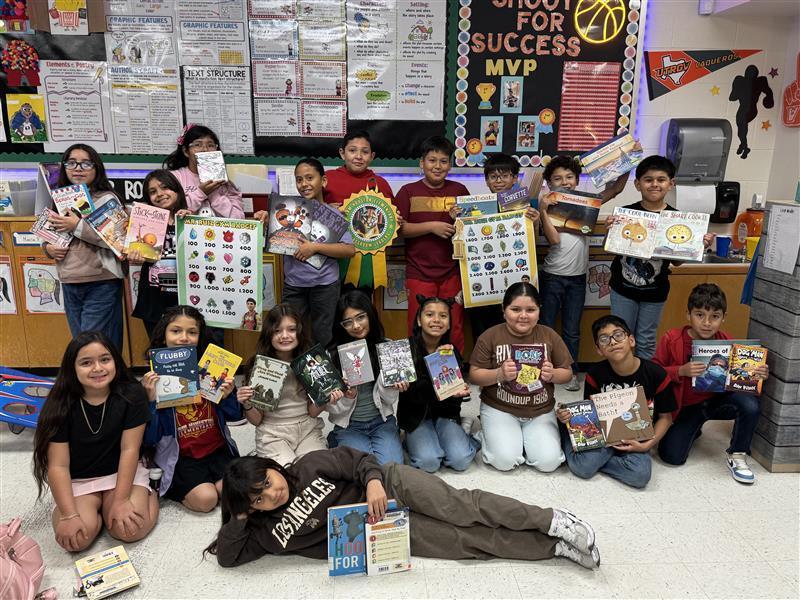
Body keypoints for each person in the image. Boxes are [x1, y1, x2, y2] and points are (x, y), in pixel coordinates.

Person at [206, 447, 600, 569]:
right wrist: (238, 513)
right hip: (379, 533)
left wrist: (375, 482)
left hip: (388, 485)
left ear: (275, 469)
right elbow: (227, 557)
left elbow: (359, 460)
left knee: (464, 507)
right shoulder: (261, 532)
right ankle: (553, 548)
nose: (270, 496)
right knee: (466, 543)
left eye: (267, 484)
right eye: (257, 498)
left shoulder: (307, 467)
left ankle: (552, 521)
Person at [32, 332, 158, 552]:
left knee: (130, 530)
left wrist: (119, 501)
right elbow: (58, 466)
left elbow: (130, 450)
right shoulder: (59, 403)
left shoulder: (132, 394)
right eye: (86, 363)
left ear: (115, 362)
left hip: (122, 473)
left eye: (105, 359)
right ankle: (96, 511)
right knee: (76, 541)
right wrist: (70, 515)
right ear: (72, 368)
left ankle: (150, 492)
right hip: (79, 480)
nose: (98, 368)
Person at [537, 153, 633, 391]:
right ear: (550, 184)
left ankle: (569, 372)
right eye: (558, 178)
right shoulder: (548, 207)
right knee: (546, 327)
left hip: (578, 279)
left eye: (570, 177)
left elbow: (617, 188)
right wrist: (542, 209)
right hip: (552, 277)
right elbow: (554, 240)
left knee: (572, 329)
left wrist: (628, 159)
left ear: (577, 180)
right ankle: (544, 371)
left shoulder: (589, 203)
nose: (565, 181)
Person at [653, 284, 766, 483]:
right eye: (699, 315)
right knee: (672, 457)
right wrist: (680, 370)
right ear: (688, 315)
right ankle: (694, 429)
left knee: (749, 404)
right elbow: (654, 372)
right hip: (685, 408)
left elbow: (740, 378)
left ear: (724, 317)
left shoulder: (726, 340)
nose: (707, 323)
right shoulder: (671, 339)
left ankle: (738, 455)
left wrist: (756, 374)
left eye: (715, 316)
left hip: (716, 402)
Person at [607, 155, 714, 359]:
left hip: (655, 293)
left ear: (671, 184)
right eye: (648, 180)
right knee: (619, 339)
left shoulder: (677, 220)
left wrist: (698, 246)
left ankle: (644, 385)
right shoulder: (626, 214)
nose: (654, 184)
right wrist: (611, 231)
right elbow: (613, 249)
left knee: (646, 341)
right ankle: (622, 383)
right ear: (638, 184)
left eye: (661, 180)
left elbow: (677, 261)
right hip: (623, 290)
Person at [142, 306, 242, 512]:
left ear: (200, 337)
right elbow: (150, 438)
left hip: (217, 451)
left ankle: (212, 482)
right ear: (163, 336)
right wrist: (151, 401)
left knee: (234, 492)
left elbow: (236, 415)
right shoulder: (154, 380)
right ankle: (173, 488)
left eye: (192, 332)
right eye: (176, 331)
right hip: (182, 458)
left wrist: (228, 395)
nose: (184, 338)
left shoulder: (210, 369)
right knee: (206, 500)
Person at [557, 315, 676, 489]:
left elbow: (666, 418)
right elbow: (590, 414)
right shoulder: (594, 375)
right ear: (599, 349)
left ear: (631, 340)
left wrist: (647, 446)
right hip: (604, 435)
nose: (612, 342)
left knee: (640, 477)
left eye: (618, 335)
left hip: (637, 436)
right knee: (583, 468)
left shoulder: (656, 374)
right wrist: (570, 418)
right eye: (604, 339)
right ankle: (566, 434)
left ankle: (596, 460)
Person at [469, 282, 573, 472]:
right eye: (515, 309)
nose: (523, 316)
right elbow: (474, 375)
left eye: (530, 310)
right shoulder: (490, 336)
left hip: (540, 409)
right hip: (500, 408)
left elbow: (567, 373)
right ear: (504, 309)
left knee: (548, 463)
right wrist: (498, 374)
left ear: (539, 310)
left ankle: (523, 439)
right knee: (504, 461)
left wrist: (553, 374)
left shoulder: (549, 335)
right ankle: (486, 433)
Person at [255, 158, 355, 348]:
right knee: (290, 331)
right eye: (299, 179)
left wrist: (315, 247)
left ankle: (322, 375)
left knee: (323, 334)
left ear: (323, 181)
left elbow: (349, 250)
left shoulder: (334, 215)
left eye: (310, 178)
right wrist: (267, 222)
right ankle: (295, 373)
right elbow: (276, 237)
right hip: (294, 285)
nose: (304, 184)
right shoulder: (289, 210)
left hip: (325, 285)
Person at [44, 144, 125, 350]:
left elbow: (116, 240)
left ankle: (112, 381)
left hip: (101, 281)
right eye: (71, 163)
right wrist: (48, 249)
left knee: (96, 344)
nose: (78, 168)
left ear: (96, 167)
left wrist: (77, 225)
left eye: (86, 163)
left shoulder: (107, 199)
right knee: (81, 344)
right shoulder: (58, 199)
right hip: (70, 281)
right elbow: (47, 237)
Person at [395, 136, 469, 353]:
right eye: (432, 160)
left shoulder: (460, 191)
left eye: (444, 161)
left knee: (453, 325)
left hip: (453, 271)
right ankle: (419, 373)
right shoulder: (408, 192)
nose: (438, 166)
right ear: (422, 163)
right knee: (418, 323)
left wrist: (458, 220)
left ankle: (452, 375)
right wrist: (432, 226)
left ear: (450, 164)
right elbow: (400, 230)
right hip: (418, 272)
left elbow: (471, 227)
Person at [237, 303, 329, 466]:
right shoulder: (259, 366)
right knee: (287, 475)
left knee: (315, 472)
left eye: (291, 329)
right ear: (268, 334)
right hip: (272, 433)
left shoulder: (310, 362)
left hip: (307, 428)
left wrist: (326, 396)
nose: (284, 335)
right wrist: (247, 404)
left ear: (299, 332)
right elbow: (258, 421)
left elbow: (313, 412)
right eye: (277, 330)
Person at [397, 295, 479, 473]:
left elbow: (453, 397)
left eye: (443, 316)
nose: (436, 320)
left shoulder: (451, 351)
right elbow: (411, 394)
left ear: (449, 323)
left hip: (445, 414)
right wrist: (433, 368)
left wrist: (459, 391)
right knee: (429, 463)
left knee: (460, 460)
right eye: (429, 315)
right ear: (419, 320)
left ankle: (468, 437)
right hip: (416, 417)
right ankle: (415, 441)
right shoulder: (405, 350)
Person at [467, 153, 541, 343]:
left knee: (515, 327)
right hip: (483, 280)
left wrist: (535, 221)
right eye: (493, 177)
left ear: (515, 178)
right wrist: (458, 218)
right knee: (483, 328)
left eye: (505, 176)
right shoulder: (475, 206)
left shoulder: (527, 205)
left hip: (515, 277)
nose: (499, 181)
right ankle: (484, 368)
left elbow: (535, 238)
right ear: (486, 181)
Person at [325, 291, 405, 465]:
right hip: (350, 426)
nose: (356, 326)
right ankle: (337, 438)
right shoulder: (331, 356)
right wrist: (348, 396)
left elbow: (390, 400)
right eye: (348, 322)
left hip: (382, 422)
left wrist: (392, 385)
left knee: (391, 468)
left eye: (361, 317)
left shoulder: (387, 346)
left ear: (371, 315)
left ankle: (343, 446)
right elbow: (332, 409)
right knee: (364, 468)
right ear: (341, 325)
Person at [130, 169, 192, 336]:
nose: (160, 194)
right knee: (159, 350)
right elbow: (136, 250)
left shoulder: (192, 219)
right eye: (152, 192)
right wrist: (135, 254)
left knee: (193, 347)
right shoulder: (145, 222)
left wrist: (193, 222)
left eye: (165, 187)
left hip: (187, 295)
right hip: (154, 297)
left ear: (177, 189)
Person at [164, 124, 244, 218]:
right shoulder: (175, 177)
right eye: (198, 145)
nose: (205, 150)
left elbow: (239, 219)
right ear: (186, 151)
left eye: (210, 145)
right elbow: (170, 213)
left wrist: (214, 194)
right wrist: (201, 192)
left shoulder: (225, 183)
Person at [323, 130, 394, 206]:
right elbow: (311, 209)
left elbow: (391, 214)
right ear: (342, 153)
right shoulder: (327, 178)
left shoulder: (380, 184)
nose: (359, 156)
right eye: (352, 150)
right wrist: (326, 208)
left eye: (365, 152)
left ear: (371, 156)